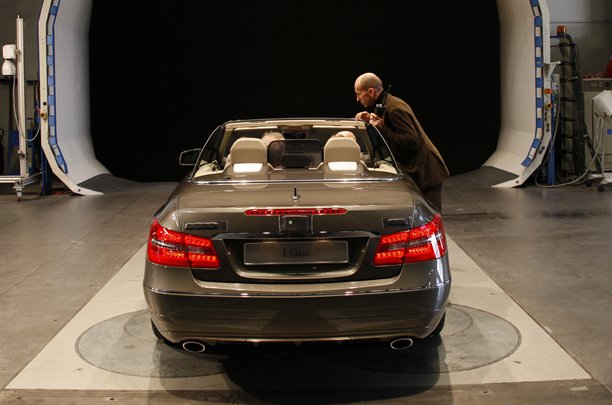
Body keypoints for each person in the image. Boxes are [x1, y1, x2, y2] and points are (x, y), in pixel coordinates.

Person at [354, 72, 449, 211]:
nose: (357, 99)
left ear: (371, 91)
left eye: (359, 94)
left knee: (431, 215)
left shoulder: (394, 107)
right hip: (419, 169)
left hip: (426, 172)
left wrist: (383, 128)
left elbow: (411, 141)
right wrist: (370, 119)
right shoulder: (385, 103)